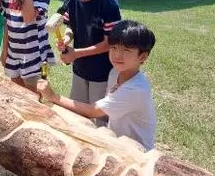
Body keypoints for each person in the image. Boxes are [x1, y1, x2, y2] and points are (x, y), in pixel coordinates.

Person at [37, 20, 157, 150]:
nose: (117, 55)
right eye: (114, 47)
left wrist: (53, 96)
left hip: (138, 152)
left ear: (143, 57)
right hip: (117, 142)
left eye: (126, 50)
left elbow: (92, 111)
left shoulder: (136, 89)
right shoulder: (115, 73)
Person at [57, 0, 122, 126]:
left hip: (101, 74)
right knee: (76, 116)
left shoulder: (108, 5)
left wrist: (75, 53)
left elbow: (108, 44)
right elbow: (70, 26)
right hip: (80, 69)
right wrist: (67, 39)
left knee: (100, 120)